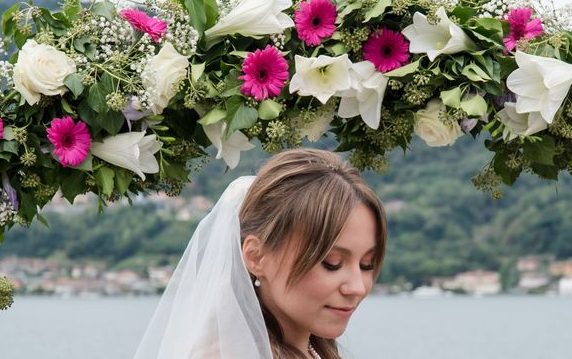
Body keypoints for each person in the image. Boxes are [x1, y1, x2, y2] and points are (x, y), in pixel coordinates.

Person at [133, 148, 387, 359]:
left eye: (367, 264)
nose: (357, 287)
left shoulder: (309, 349)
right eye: (332, 263)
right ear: (256, 257)